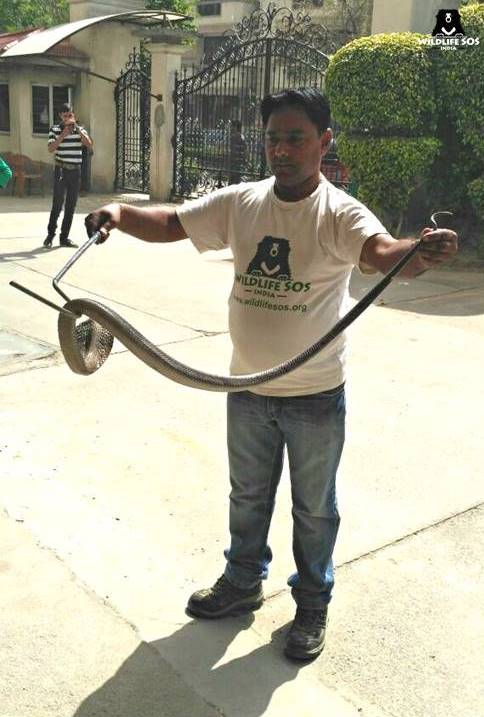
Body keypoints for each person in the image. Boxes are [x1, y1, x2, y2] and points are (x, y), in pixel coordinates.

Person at [85, 89, 458, 661]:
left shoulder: (339, 212)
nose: (281, 150)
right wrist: (118, 213)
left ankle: (312, 604)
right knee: (249, 496)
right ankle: (241, 584)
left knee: (314, 509)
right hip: (247, 390)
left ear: (324, 142)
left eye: (296, 138)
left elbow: (381, 253)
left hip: (313, 395)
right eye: (273, 138)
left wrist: (418, 252)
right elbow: (172, 223)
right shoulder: (241, 203)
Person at [44, 103, 93, 248]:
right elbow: (50, 149)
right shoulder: (54, 129)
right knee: (57, 205)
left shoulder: (80, 130)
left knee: (71, 206)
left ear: (73, 114)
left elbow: (89, 144)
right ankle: (50, 235)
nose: (67, 118)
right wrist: (63, 135)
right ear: (60, 116)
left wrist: (77, 128)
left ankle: (64, 237)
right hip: (61, 171)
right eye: (65, 116)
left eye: (70, 115)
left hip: (75, 172)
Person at [228, 119, 246, 184]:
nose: (232, 128)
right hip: (236, 161)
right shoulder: (241, 137)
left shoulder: (235, 137)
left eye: (233, 126)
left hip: (236, 161)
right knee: (235, 178)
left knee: (235, 178)